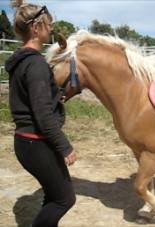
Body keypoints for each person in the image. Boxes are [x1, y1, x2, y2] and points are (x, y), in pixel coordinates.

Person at [5, 0, 77, 226]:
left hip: (27, 141)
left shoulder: (22, 61)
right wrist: (64, 146)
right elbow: (42, 113)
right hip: (36, 142)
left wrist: (55, 98)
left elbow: (32, 99)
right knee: (65, 199)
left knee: (53, 195)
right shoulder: (35, 63)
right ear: (36, 28)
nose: (51, 29)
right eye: (48, 25)